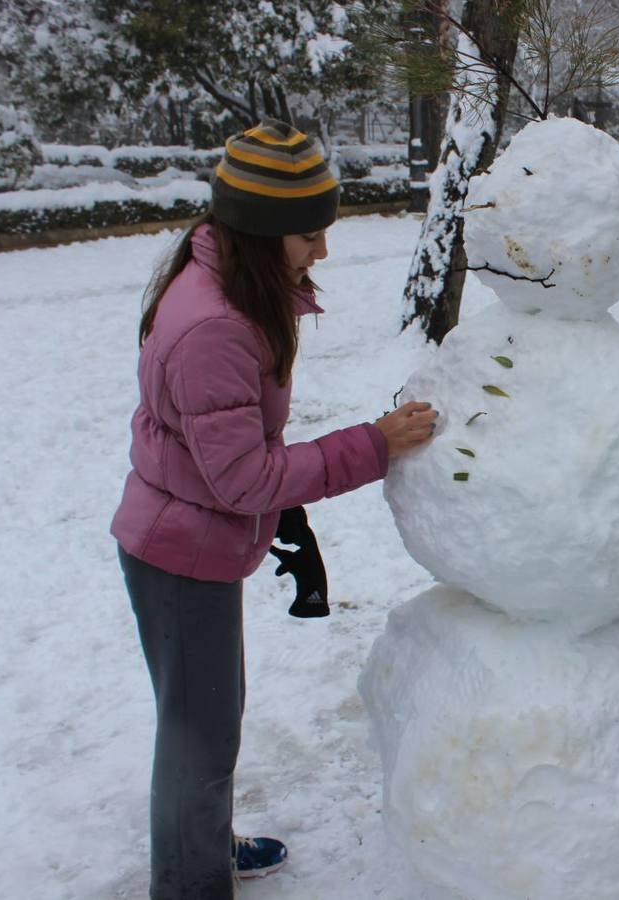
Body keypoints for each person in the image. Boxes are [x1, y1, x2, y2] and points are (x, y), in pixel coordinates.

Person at [110, 118, 438, 898]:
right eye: (308, 235)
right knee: (200, 741)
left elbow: (224, 454)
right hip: (180, 555)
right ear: (261, 232)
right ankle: (192, 882)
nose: (321, 251)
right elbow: (242, 480)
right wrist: (374, 444)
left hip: (184, 535)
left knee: (198, 730)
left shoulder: (230, 288)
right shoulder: (216, 325)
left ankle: (202, 851)